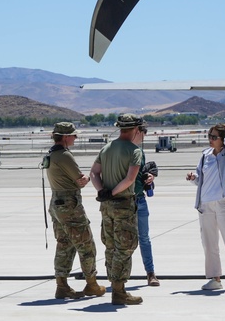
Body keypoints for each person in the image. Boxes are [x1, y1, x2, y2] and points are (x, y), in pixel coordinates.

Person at [44, 122, 105, 299]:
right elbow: (80, 180)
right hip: (69, 205)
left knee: (64, 244)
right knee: (86, 244)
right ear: (65, 137)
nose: (75, 138)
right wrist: (86, 178)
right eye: (73, 135)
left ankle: (61, 285)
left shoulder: (52, 153)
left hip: (56, 203)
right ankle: (91, 284)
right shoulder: (64, 155)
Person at [90, 114, 145, 305]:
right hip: (122, 203)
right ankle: (120, 290)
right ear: (135, 129)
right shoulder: (134, 151)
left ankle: (115, 286)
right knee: (125, 246)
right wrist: (113, 192)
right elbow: (130, 179)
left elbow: (94, 172)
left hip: (106, 206)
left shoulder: (106, 148)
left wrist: (102, 191)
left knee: (111, 246)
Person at [186, 123, 225, 291]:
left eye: (214, 137)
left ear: (223, 139)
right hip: (206, 203)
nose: (210, 140)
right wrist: (193, 178)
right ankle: (215, 278)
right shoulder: (205, 155)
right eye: (209, 136)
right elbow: (200, 179)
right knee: (209, 243)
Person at [132, 125, 160, 286]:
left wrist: (148, 176)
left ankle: (150, 273)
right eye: (144, 133)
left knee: (144, 239)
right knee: (124, 241)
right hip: (128, 201)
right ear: (138, 131)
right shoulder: (126, 151)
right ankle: (118, 276)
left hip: (140, 199)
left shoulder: (139, 152)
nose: (144, 136)